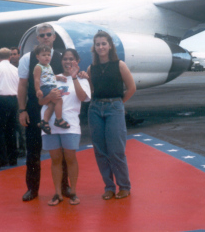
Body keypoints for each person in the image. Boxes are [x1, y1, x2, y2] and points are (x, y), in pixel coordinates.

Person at [17, 23, 69, 202]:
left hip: (55, 107)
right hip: (34, 107)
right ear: (37, 38)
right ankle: (32, 189)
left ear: (54, 37)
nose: (46, 37)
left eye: (49, 34)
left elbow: (68, 82)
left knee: (61, 150)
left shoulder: (62, 58)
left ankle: (64, 186)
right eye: (42, 35)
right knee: (33, 150)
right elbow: (23, 85)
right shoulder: (27, 58)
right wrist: (22, 109)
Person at [87, 31, 136, 200]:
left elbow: (131, 88)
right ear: (94, 47)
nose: (101, 47)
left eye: (103, 43)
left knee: (116, 151)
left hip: (114, 107)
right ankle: (109, 187)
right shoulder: (91, 68)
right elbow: (92, 90)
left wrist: (119, 104)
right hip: (95, 109)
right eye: (98, 44)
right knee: (100, 151)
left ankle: (124, 186)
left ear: (110, 46)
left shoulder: (119, 65)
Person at [40, 49, 90, 206]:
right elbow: (42, 101)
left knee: (70, 159)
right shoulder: (53, 78)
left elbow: (83, 98)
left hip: (70, 125)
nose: (68, 62)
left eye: (71, 59)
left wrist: (74, 77)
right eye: (65, 59)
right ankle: (57, 193)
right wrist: (50, 96)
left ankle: (73, 192)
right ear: (61, 61)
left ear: (77, 61)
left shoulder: (82, 79)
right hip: (50, 126)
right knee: (55, 160)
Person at [33, 44, 70, 133]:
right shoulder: (38, 67)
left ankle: (44, 121)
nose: (47, 57)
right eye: (44, 55)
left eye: (48, 55)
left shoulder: (48, 66)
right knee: (59, 100)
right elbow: (37, 79)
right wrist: (38, 89)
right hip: (46, 88)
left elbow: (51, 76)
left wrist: (59, 77)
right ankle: (59, 119)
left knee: (51, 105)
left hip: (51, 86)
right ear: (38, 57)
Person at [10, 47, 26, 158]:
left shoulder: (23, 67)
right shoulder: (9, 68)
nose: (13, 56)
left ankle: (23, 149)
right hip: (11, 99)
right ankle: (13, 149)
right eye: (11, 54)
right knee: (12, 126)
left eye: (15, 54)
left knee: (21, 126)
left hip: (21, 100)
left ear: (19, 55)